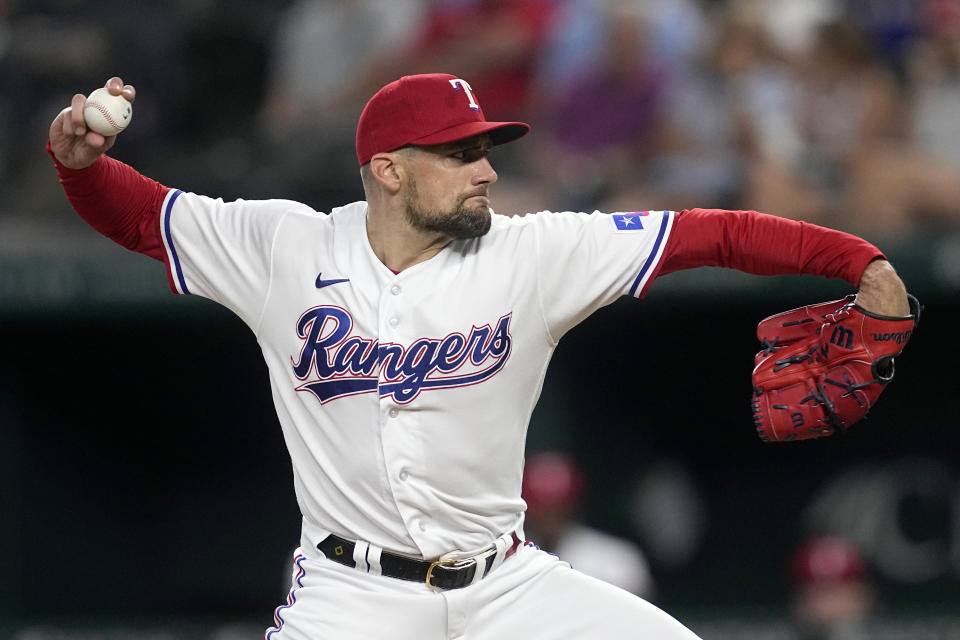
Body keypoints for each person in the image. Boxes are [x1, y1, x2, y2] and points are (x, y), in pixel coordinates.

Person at [47, 73, 911, 639]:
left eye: (485, 151)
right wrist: (77, 162)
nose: (485, 171)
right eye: (459, 154)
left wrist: (857, 262)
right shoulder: (282, 244)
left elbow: (710, 233)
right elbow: (141, 216)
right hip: (355, 599)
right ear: (387, 168)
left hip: (507, 587)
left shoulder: (532, 251)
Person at [522, 451, 655, 599]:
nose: (549, 517)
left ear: (574, 507)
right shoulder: (507, 559)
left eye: (558, 509)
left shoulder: (616, 559)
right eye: (541, 508)